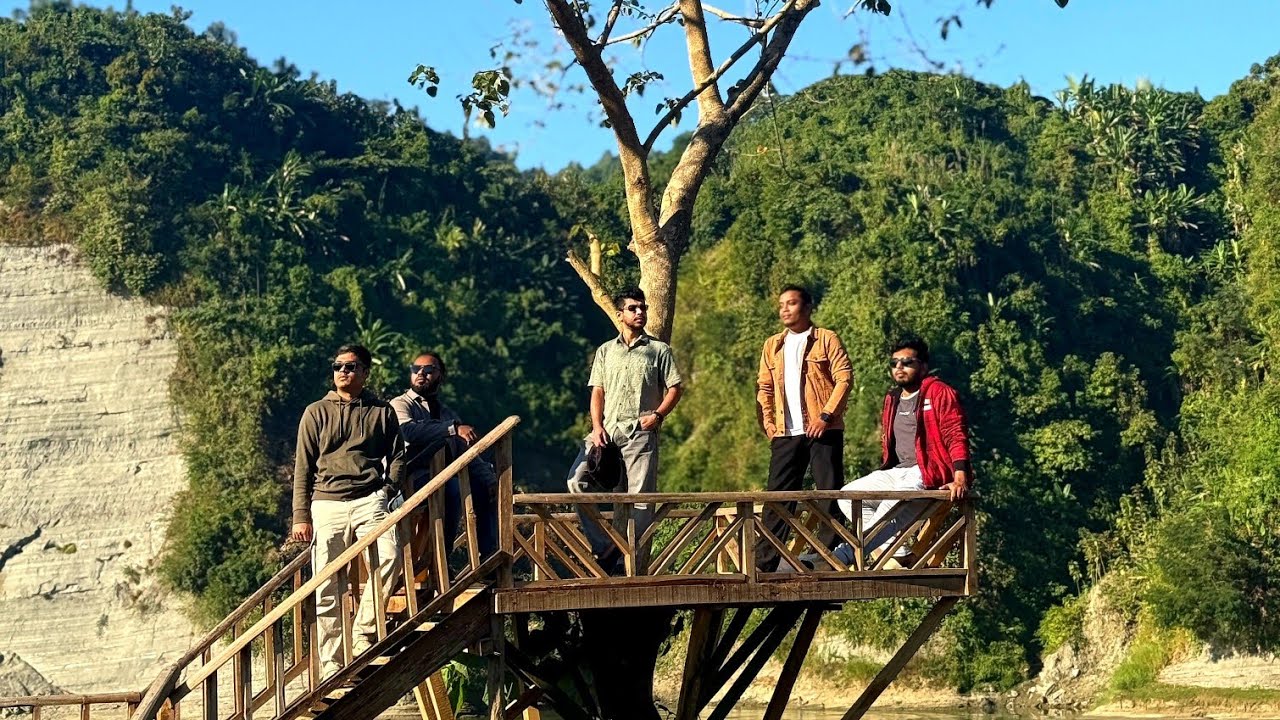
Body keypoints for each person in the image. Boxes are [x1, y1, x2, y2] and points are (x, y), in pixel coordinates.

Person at [289, 344, 405, 677]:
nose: (343, 371)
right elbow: (303, 467)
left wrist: (387, 490)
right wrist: (301, 516)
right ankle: (332, 664)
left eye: (352, 366)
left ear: (366, 372)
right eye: (338, 365)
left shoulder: (381, 412)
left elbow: (398, 457)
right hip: (326, 503)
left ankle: (363, 633)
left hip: (370, 499)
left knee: (390, 556)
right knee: (327, 584)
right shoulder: (316, 412)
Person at [566, 287, 683, 569]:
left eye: (642, 308)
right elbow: (597, 392)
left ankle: (627, 561)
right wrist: (596, 427)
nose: (640, 312)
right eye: (633, 308)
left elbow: (675, 388)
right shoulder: (606, 351)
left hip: (640, 432)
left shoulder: (659, 350)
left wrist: (657, 416)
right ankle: (604, 547)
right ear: (620, 315)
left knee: (641, 501)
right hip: (607, 431)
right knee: (575, 482)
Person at [830, 338, 972, 569]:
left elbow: (955, 434)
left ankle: (844, 555)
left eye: (907, 362)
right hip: (897, 470)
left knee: (889, 505)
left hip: (927, 471)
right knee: (847, 495)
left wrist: (959, 477)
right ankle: (899, 551)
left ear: (923, 367)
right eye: (894, 362)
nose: (899, 367)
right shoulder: (892, 398)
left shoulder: (939, 393)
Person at [755, 285, 853, 572]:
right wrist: (769, 424)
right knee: (778, 496)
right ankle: (765, 561)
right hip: (786, 431)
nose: (784, 309)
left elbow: (844, 378)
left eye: (791, 303)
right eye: (781, 304)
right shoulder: (773, 345)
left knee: (828, 491)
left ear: (807, 307)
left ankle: (832, 556)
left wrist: (825, 416)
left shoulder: (826, 339)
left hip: (823, 428)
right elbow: (764, 387)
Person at [389, 351, 497, 558]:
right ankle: (442, 563)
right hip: (410, 480)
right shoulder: (400, 404)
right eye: (415, 369)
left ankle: (489, 557)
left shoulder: (446, 413)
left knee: (484, 488)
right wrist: (452, 429)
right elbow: (407, 431)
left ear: (440, 376)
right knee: (453, 489)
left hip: (442, 478)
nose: (421, 373)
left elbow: (466, 453)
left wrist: (489, 479)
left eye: (429, 370)